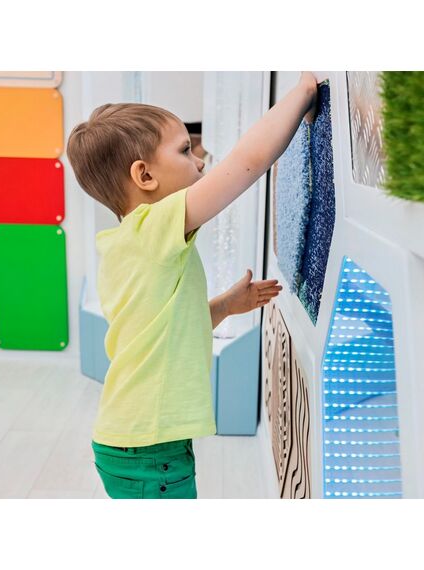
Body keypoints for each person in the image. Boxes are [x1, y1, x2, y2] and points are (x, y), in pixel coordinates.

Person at [66, 71, 319, 499]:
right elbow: (246, 163)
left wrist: (224, 306)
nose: (200, 160)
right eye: (186, 150)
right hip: (148, 448)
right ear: (145, 176)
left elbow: (162, 330)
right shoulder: (153, 226)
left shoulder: (127, 243)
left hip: (138, 440)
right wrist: (303, 92)